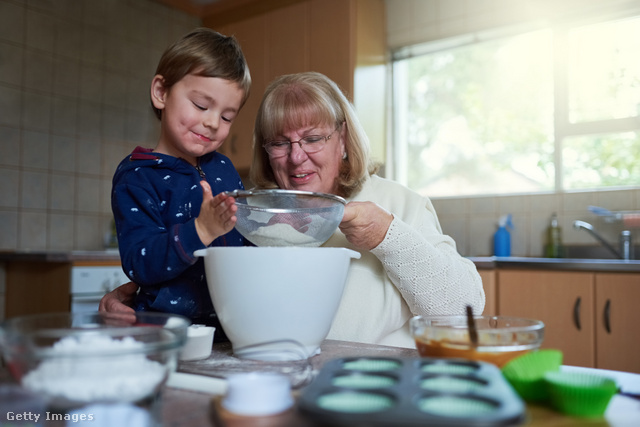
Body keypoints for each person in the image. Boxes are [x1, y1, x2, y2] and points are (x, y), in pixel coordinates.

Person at [103, 71, 484, 348]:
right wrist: (137, 296)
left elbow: (464, 311)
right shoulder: (256, 215)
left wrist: (387, 235)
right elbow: (213, 280)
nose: (297, 157)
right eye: (280, 143)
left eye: (313, 138)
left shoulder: (399, 204)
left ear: (345, 140)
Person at [109, 28, 251, 337]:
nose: (213, 122)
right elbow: (139, 263)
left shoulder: (224, 168)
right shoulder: (137, 177)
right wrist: (201, 230)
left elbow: (244, 238)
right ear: (161, 92)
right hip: (162, 333)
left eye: (227, 117)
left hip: (229, 328)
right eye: (201, 105)